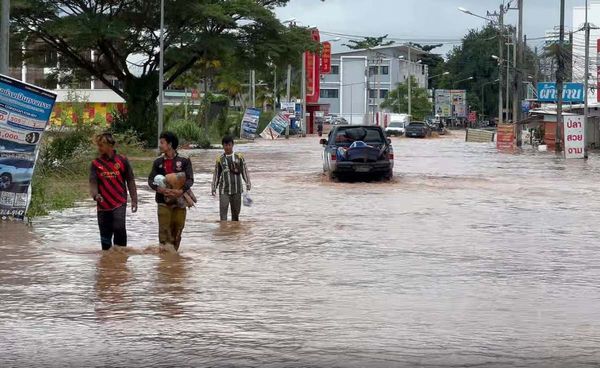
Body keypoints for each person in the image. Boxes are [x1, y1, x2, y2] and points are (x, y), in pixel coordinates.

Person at [89, 132, 138, 251]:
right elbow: (93, 182)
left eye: (102, 145)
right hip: (103, 204)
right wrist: (96, 195)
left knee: (119, 227)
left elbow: (130, 180)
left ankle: (121, 258)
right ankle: (107, 263)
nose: (99, 148)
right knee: (105, 235)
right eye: (98, 145)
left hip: (119, 202)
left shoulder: (122, 160)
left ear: (110, 146)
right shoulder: (96, 163)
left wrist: (134, 200)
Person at [148, 132, 194, 252]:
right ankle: (165, 261)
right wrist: (159, 189)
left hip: (180, 201)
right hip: (163, 201)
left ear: (170, 144)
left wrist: (181, 191)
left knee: (177, 231)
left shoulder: (184, 160)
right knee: (164, 231)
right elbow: (150, 179)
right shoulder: (158, 162)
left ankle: (173, 259)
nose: (160, 145)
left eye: (162, 142)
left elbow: (190, 179)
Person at [212, 136, 251, 221]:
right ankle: (224, 232)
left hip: (237, 190)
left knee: (236, 215)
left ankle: (234, 233)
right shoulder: (220, 159)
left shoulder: (239, 157)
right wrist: (214, 187)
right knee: (223, 215)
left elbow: (244, 171)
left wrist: (248, 183)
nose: (227, 147)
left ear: (232, 145)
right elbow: (216, 174)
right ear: (223, 146)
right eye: (225, 145)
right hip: (224, 190)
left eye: (229, 145)